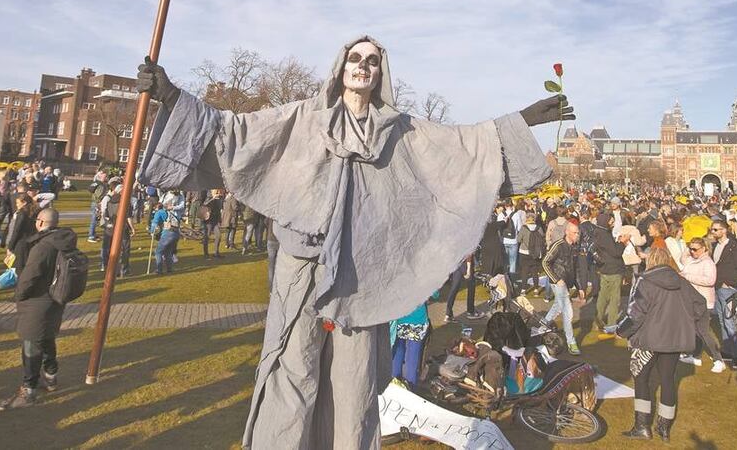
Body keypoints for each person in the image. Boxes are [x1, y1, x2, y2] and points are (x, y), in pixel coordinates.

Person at [136, 36, 569, 449]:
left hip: (364, 274)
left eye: (372, 60)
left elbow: (462, 146)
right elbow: (235, 133)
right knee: (294, 371)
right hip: (301, 268)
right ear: (341, 67)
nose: (363, 65)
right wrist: (172, 95)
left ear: (382, 72)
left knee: (355, 381)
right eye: (355, 58)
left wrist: (524, 119)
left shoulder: (401, 132)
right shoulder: (303, 118)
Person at [620, 247, 705, 441]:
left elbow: (635, 313)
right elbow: (699, 305)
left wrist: (621, 331)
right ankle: (664, 428)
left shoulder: (645, 281)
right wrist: (689, 325)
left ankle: (642, 427)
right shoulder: (682, 282)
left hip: (648, 340)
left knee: (641, 380)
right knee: (668, 381)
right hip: (673, 340)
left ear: (650, 261)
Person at [0, 208, 75, 410]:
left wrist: (19, 295)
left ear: (40, 222)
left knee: (31, 343)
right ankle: (51, 375)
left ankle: (28, 389)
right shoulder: (63, 241)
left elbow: (29, 276)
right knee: (47, 337)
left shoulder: (43, 247)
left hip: (37, 300)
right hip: (55, 297)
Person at [678, 237, 726, 373]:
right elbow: (683, 259)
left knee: (703, 331)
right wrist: (688, 250)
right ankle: (695, 355)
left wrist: (687, 277)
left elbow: (710, 280)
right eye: (690, 248)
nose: (692, 251)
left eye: (695, 249)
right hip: (693, 301)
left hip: (704, 301)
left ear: (704, 249)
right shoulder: (691, 260)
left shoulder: (708, 263)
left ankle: (718, 359)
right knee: (695, 330)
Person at [709, 220, 737, 368]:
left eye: (716, 230)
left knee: (730, 322)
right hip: (717, 287)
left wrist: (729, 282)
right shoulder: (714, 246)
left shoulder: (734, 246)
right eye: (712, 230)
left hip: (728, 287)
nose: (713, 232)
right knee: (721, 320)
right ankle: (727, 350)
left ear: (724, 230)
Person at [541, 222, 584, 355]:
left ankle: (543, 326)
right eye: (575, 233)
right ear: (567, 232)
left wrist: (580, 287)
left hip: (568, 281)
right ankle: (571, 342)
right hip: (558, 282)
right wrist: (556, 279)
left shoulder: (575, 247)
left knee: (558, 306)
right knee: (568, 312)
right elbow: (545, 262)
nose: (577, 235)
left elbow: (575, 268)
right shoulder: (558, 245)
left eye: (578, 232)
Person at [592, 211, 626, 338]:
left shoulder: (598, 232)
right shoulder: (605, 234)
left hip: (604, 269)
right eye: (611, 221)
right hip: (613, 269)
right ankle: (611, 325)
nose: (612, 223)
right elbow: (616, 252)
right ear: (605, 221)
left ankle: (598, 321)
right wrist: (623, 242)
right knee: (614, 299)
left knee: (602, 297)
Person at [443, 254, 481, 322]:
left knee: (454, 289)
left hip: (457, 264)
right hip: (465, 264)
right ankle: (470, 311)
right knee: (471, 287)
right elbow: (469, 253)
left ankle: (448, 314)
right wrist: (469, 269)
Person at [516, 212, 546, 293]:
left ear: (526, 219)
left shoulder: (523, 228)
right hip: (535, 252)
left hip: (524, 252)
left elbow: (518, 239)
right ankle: (536, 289)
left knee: (524, 271)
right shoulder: (539, 228)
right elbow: (542, 238)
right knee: (534, 271)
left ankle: (523, 289)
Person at [154, 207, 180, 275]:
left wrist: (152, 231)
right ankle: (169, 270)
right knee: (168, 252)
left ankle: (159, 270)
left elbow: (155, 223)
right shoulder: (171, 214)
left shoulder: (160, 212)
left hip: (168, 233)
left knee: (158, 252)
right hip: (176, 233)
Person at [88, 170, 108, 243]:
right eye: (105, 176)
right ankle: (91, 236)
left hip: (99, 203)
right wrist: (99, 201)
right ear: (100, 176)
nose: (106, 177)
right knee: (94, 219)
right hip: (97, 203)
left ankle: (93, 233)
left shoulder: (103, 184)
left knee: (96, 219)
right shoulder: (98, 184)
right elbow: (93, 191)